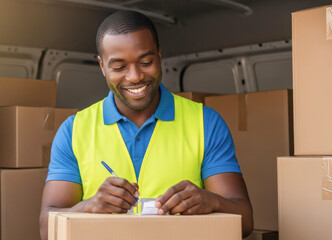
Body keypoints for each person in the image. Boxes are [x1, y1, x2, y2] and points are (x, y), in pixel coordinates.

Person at [39, 10, 253, 239]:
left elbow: (246, 222)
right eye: (119, 67)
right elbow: (45, 227)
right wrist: (88, 207)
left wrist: (212, 201)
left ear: (160, 55)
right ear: (102, 67)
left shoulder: (205, 122)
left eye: (146, 62)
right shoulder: (74, 130)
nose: (134, 77)